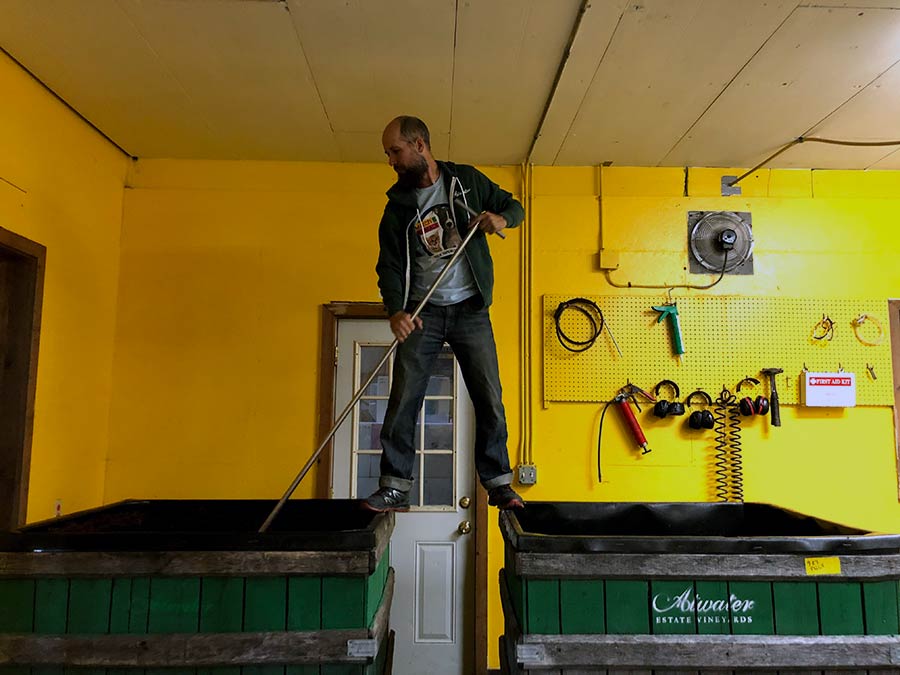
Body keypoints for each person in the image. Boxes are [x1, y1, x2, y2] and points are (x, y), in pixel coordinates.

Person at [362, 115, 525, 513]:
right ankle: (395, 486)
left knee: (489, 396)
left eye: (395, 151)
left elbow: (513, 207)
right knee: (403, 398)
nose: (391, 161)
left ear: (420, 145)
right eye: (388, 154)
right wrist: (395, 311)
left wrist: (500, 218)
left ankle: (499, 484)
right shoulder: (397, 207)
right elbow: (389, 266)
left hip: (470, 308)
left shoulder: (466, 181)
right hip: (422, 312)